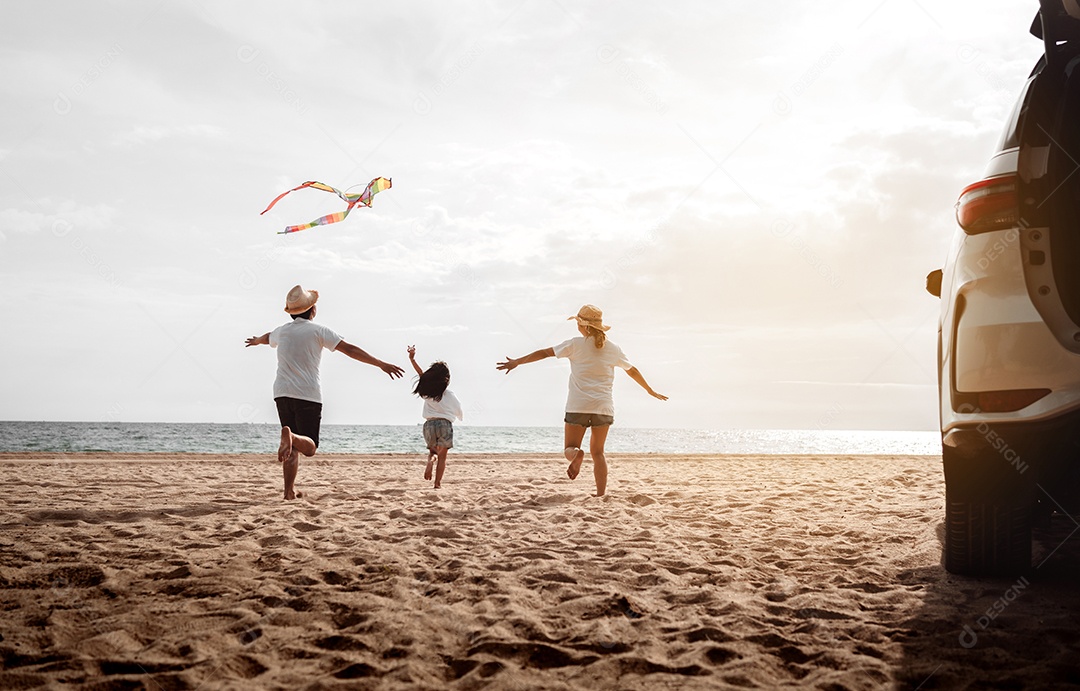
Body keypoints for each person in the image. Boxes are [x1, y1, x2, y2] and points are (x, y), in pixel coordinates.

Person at [245, 285, 404, 500]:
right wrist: (380, 364)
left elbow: (267, 337)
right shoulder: (319, 330)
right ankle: (290, 436)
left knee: (293, 447)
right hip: (307, 394)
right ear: (312, 310)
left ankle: (288, 491)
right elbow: (350, 349)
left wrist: (256, 341)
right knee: (310, 447)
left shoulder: (282, 331)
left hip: (281, 393)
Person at [496, 305, 667, 496]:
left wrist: (517, 362)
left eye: (578, 322)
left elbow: (544, 353)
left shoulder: (575, 344)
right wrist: (649, 390)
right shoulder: (613, 349)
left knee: (569, 448)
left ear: (583, 326)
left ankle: (577, 455)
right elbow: (632, 370)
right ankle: (601, 494)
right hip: (604, 407)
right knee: (598, 453)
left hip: (578, 405)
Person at [408, 345, 463, 489]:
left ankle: (430, 461)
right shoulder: (449, 394)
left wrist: (412, 359)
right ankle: (437, 484)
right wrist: (459, 416)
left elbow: (421, 374)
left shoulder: (428, 392)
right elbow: (458, 409)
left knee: (433, 452)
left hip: (429, 425)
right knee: (443, 457)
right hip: (445, 425)